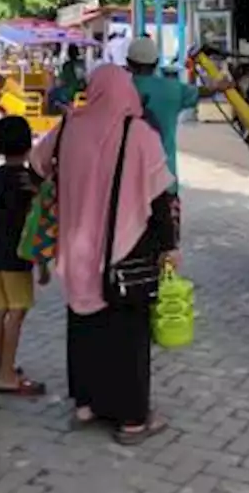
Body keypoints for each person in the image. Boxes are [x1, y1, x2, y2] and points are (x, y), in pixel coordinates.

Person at [31, 65, 176, 445]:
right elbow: (160, 198)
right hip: (127, 249)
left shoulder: (69, 127)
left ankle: (86, 405)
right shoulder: (139, 134)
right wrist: (169, 246)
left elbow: (36, 165)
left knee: (84, 325)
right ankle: (131, 419)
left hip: (77, 248)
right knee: (128, 335)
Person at [126, 36, 229, 244]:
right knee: (167, 248)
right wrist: (220, 85)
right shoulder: (172, 89)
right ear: (156, 64)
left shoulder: (118, 90)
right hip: (165, 183)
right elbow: (201, 91)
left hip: (126, 184)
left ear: (128, 64)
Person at [0, 115, 47, 396]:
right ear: (29, 144)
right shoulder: (31, 181)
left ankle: (2, 364)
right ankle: (6, 374)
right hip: (19, 256)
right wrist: (42, 263)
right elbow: (38, 224)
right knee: (16, 313)